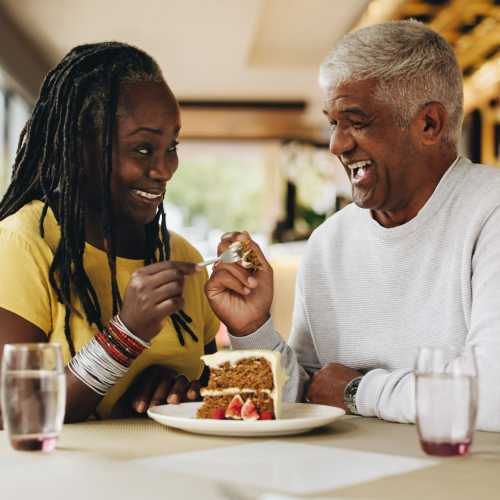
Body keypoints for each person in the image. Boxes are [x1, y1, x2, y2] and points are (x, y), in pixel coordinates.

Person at [206, 20, 500, 431]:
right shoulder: (329, 241)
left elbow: (493, 398)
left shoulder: (490, 213)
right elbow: (307, 394)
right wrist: (252, 329)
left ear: (429, 124)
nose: (337, 144)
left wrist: (357, 392)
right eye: (333, 123)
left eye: (357, 121)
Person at [0, 42, 219, 423]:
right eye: (143, 149)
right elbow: (16, 413)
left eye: (172, 146)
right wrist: (126, 336)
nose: (165, 169)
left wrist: (178, 388)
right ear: (81, 147)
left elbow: (209, 390)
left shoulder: (183, 258)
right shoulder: (22, 243)